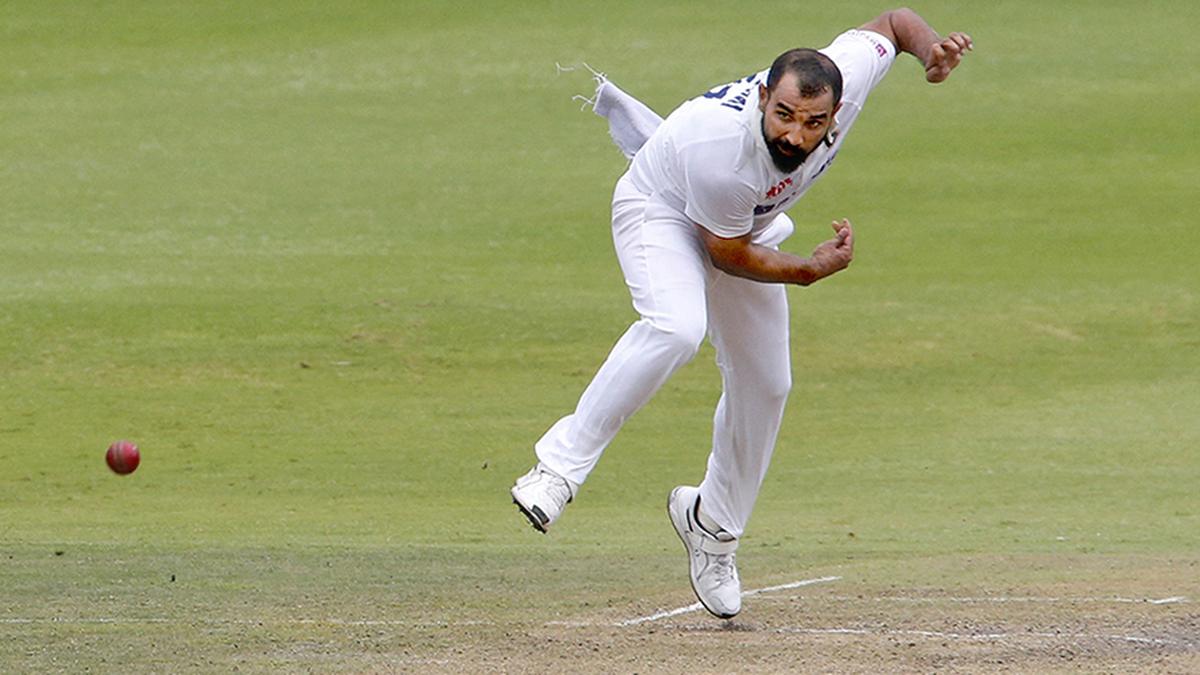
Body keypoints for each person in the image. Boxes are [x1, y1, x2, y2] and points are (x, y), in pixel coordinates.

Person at [512, 8, 973, 619]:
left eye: (813, 123)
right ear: (762, 99)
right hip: (662, 211)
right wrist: (806, 270)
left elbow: (890, 21)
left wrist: (928, 54)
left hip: (740, 228)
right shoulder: (722, 153)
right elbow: (724, 255)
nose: (794, 136)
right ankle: (556, 472)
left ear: (835, 113)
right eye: (782, 115)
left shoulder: (849, 76)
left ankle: (713, 526)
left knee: (767, 383)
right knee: (677, 328)